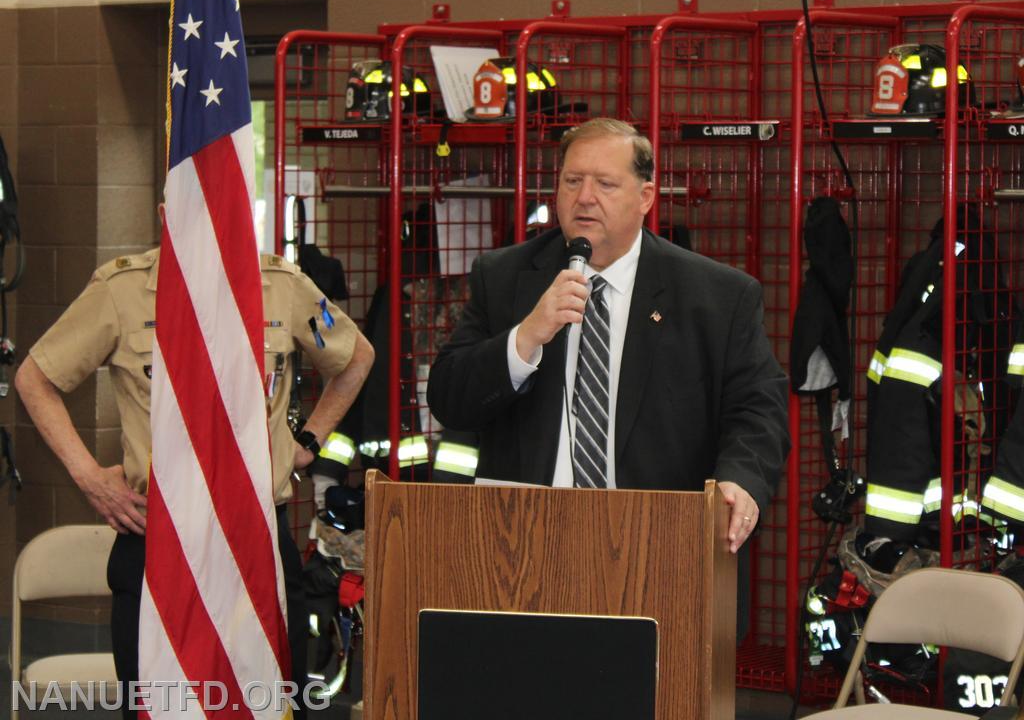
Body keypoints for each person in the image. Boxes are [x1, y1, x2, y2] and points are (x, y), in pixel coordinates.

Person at [15, 244, 374, 718]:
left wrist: (307, 440)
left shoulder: (283, 286)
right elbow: (35, 379)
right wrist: (90, 478)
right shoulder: (122, 290)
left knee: (267, 708)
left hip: (258, 542)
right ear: (167, 208)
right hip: (160, 542)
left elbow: (355, 357)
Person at [427, 118, 789, 557]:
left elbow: (757, 410)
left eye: (605, 184)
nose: (584, 198)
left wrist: (740, 482)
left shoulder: (716, 297)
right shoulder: (505, 277)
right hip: (523, 543)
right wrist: (525, 338)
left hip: (658, 546)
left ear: (645, 197)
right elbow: (449, 398)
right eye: (572, 181)